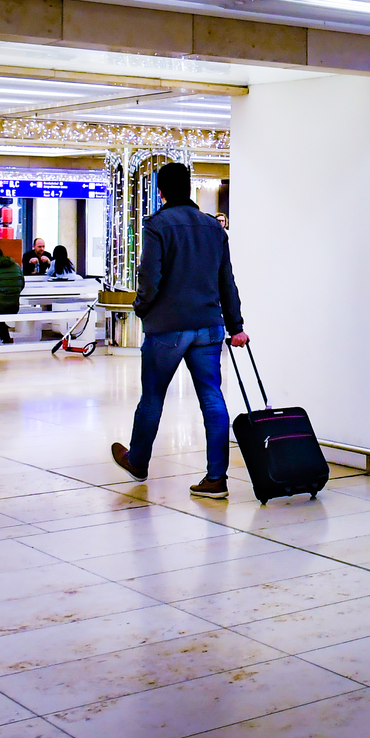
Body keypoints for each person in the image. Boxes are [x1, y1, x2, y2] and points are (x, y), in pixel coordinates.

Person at [110, 163, 247, 500]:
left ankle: (138, 461)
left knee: (152, 397)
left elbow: (149, 276)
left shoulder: (157, 225)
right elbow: (226, 281)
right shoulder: (214, 228)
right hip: (209, 327)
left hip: (168, 327)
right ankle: (216, 478)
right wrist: (236, 326)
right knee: (212, 398)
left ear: (161, 191)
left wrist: (142, 307)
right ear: (189, 187)